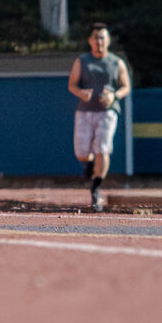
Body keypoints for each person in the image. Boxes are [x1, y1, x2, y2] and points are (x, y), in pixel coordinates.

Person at [69, 24, 131, 211]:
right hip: (85, 111)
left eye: (103, 37)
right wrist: (81, 93)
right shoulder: (82, 61)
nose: (99, 41)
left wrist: (114, 96)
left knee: (102, 148)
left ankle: (96, 189)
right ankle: (88, 166)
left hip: (107, 111)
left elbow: (125, 86)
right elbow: (72, 85)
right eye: (96, 37)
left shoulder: (116, 62)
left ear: (108, 40)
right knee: (81, 152)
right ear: (90, 41)